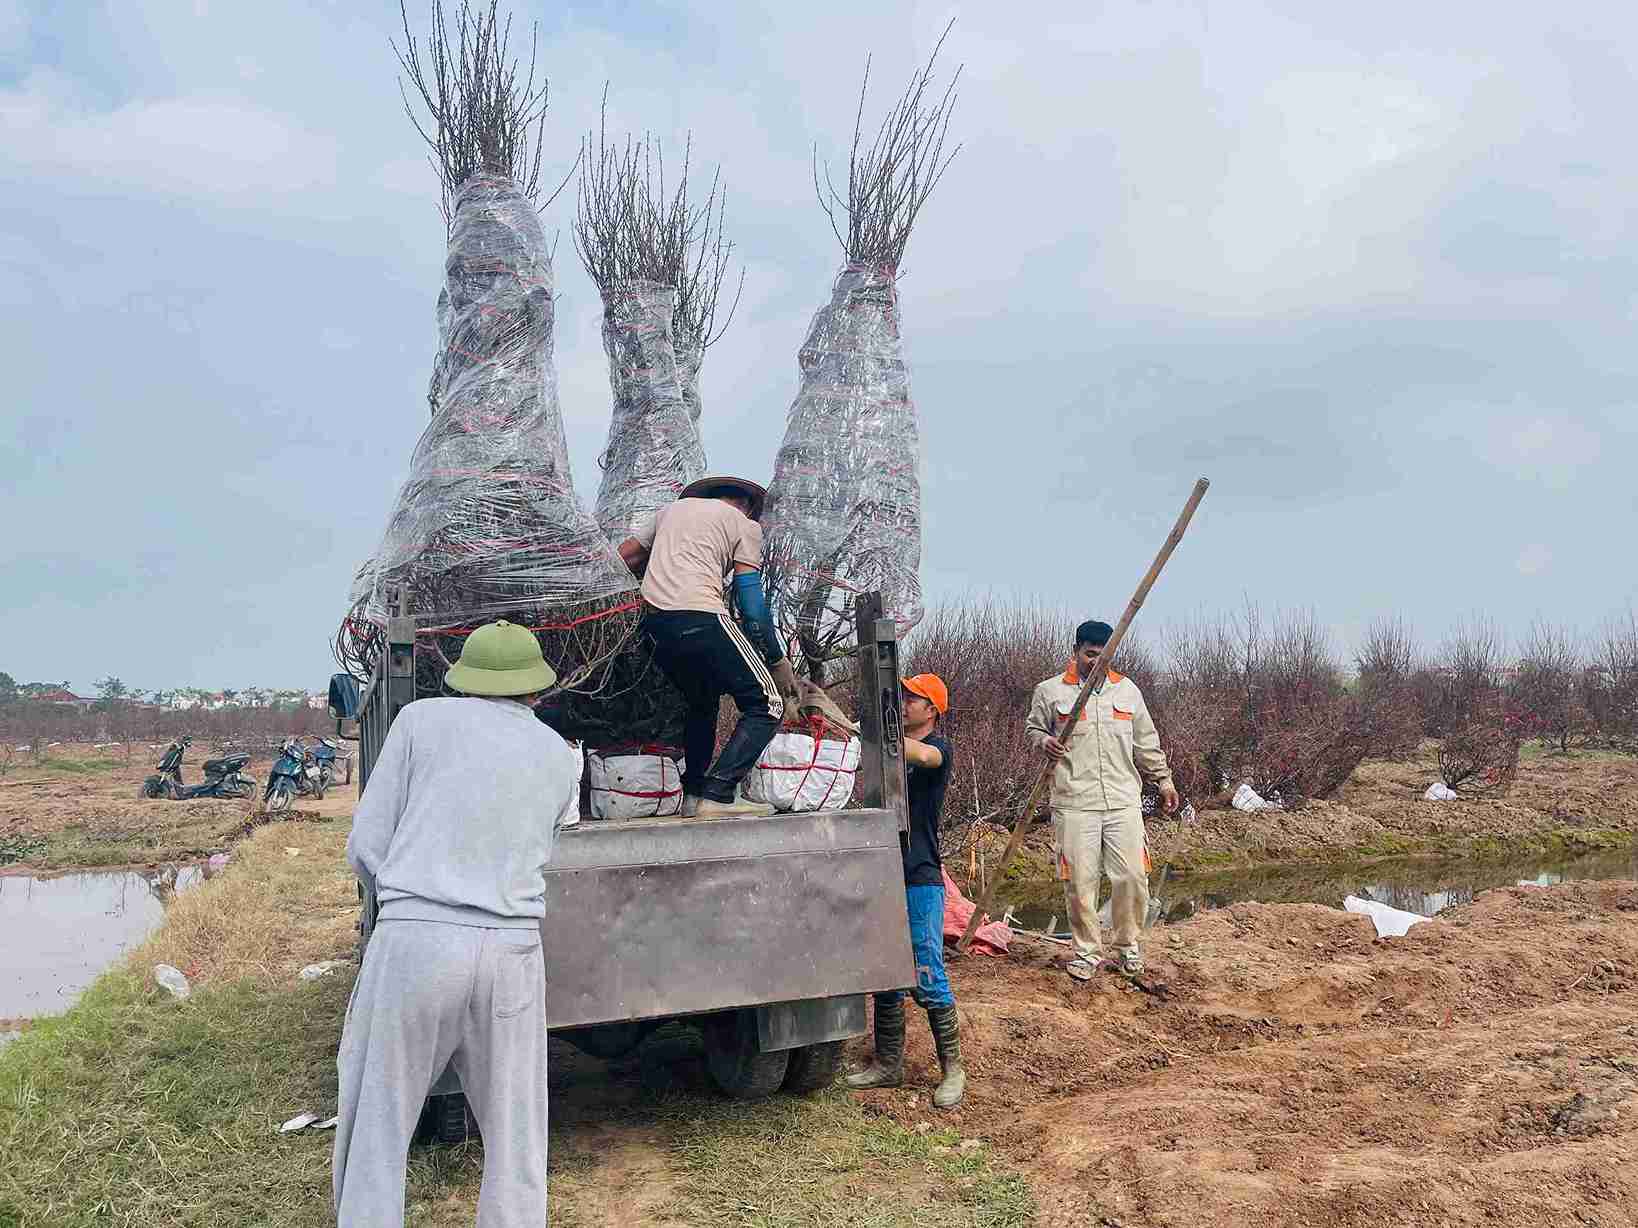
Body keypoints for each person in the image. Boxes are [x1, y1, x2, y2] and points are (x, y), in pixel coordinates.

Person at [332, 620, 580, 1228]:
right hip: (513, 951)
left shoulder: (418, 723)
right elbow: (551, 837)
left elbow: (367, 843)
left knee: (380, 1120)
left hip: (418, 937)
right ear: (535, 688)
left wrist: (405, 896)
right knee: (516, 1131)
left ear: (463, 678)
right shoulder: (560, 753)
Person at [616, 475, 799, 819]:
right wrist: (776, 659)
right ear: (746, 506)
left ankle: (694, 793)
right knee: (767, 704)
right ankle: (719, 794)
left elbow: (624, 557)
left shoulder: (670, 511)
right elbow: (750, 602)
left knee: (702, 701)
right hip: (701, 614)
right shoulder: (744, 525)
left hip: (655, 626)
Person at [1026, 620, 1177, 980]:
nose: (1096, 662)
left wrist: (1164, 780)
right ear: (1077, 651)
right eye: (1090, 654)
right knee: (1080, 881)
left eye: (1104, 655)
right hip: (1073, 801)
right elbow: (1033, 727)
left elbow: (1146, 741)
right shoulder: (1050, 691)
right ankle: (1087, 952)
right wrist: (1043, 741)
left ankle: (1128, 946)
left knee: (1131, 875)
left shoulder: (1127, 691)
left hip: (1123, 799)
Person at [844, 673, 966, 1109]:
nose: (904, 702)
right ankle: (888, 1064)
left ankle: (953, 1069)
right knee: (884, 974)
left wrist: (877, 732)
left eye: (911, 697)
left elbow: (924, 755)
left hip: (919, 877)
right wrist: (835, 715)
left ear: (931, 709)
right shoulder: (890, 750)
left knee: (927, 969)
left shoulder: (939, 750)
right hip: (883, 872)